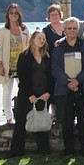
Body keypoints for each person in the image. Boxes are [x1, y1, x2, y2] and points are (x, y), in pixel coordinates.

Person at [52, 17, 84, 156]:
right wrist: (68, 82)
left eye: (75, 28)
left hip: (83, 88)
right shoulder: (58, 47)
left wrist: (78, 81)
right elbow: (55, 68)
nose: (72, 31)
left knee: (83, 121)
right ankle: (68, 149)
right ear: (64, 30)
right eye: (69, 28)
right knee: (67, 121)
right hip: (64, 89)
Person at [7, 30, 52, 158]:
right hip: (27, 94)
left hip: (43, 94)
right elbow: (23, 77)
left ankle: (43, 150)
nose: (42, 41)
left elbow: (50, 77)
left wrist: (48, 92)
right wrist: (30, 94)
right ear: (32, 39)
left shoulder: (47, 56)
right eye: (39, 38)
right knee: (21, 122)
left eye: (44, 39)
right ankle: (16, 150)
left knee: (41, 122)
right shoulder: (24, 56)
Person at [0, 3, 30, 125]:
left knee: (24, 90)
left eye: (16, 13)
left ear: (19, 14)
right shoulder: (3, 30)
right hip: (7, 66)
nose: (13, 15)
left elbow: (29, 45)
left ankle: (24, 114)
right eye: (11, 13)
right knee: (7, 91)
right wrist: (0, 64)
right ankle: (9, 117)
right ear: (7, 15)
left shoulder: (25, 29)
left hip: (22, 65)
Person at [42, 4, 64, 122]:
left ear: (60, 15)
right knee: (52, 86)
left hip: (66, 62)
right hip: (51, 62)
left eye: (56, 14)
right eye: (52, 15)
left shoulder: (66, 27)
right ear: (48, 16)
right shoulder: (46, 30)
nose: (54, 16)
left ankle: (63, 112)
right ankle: (52, 112)